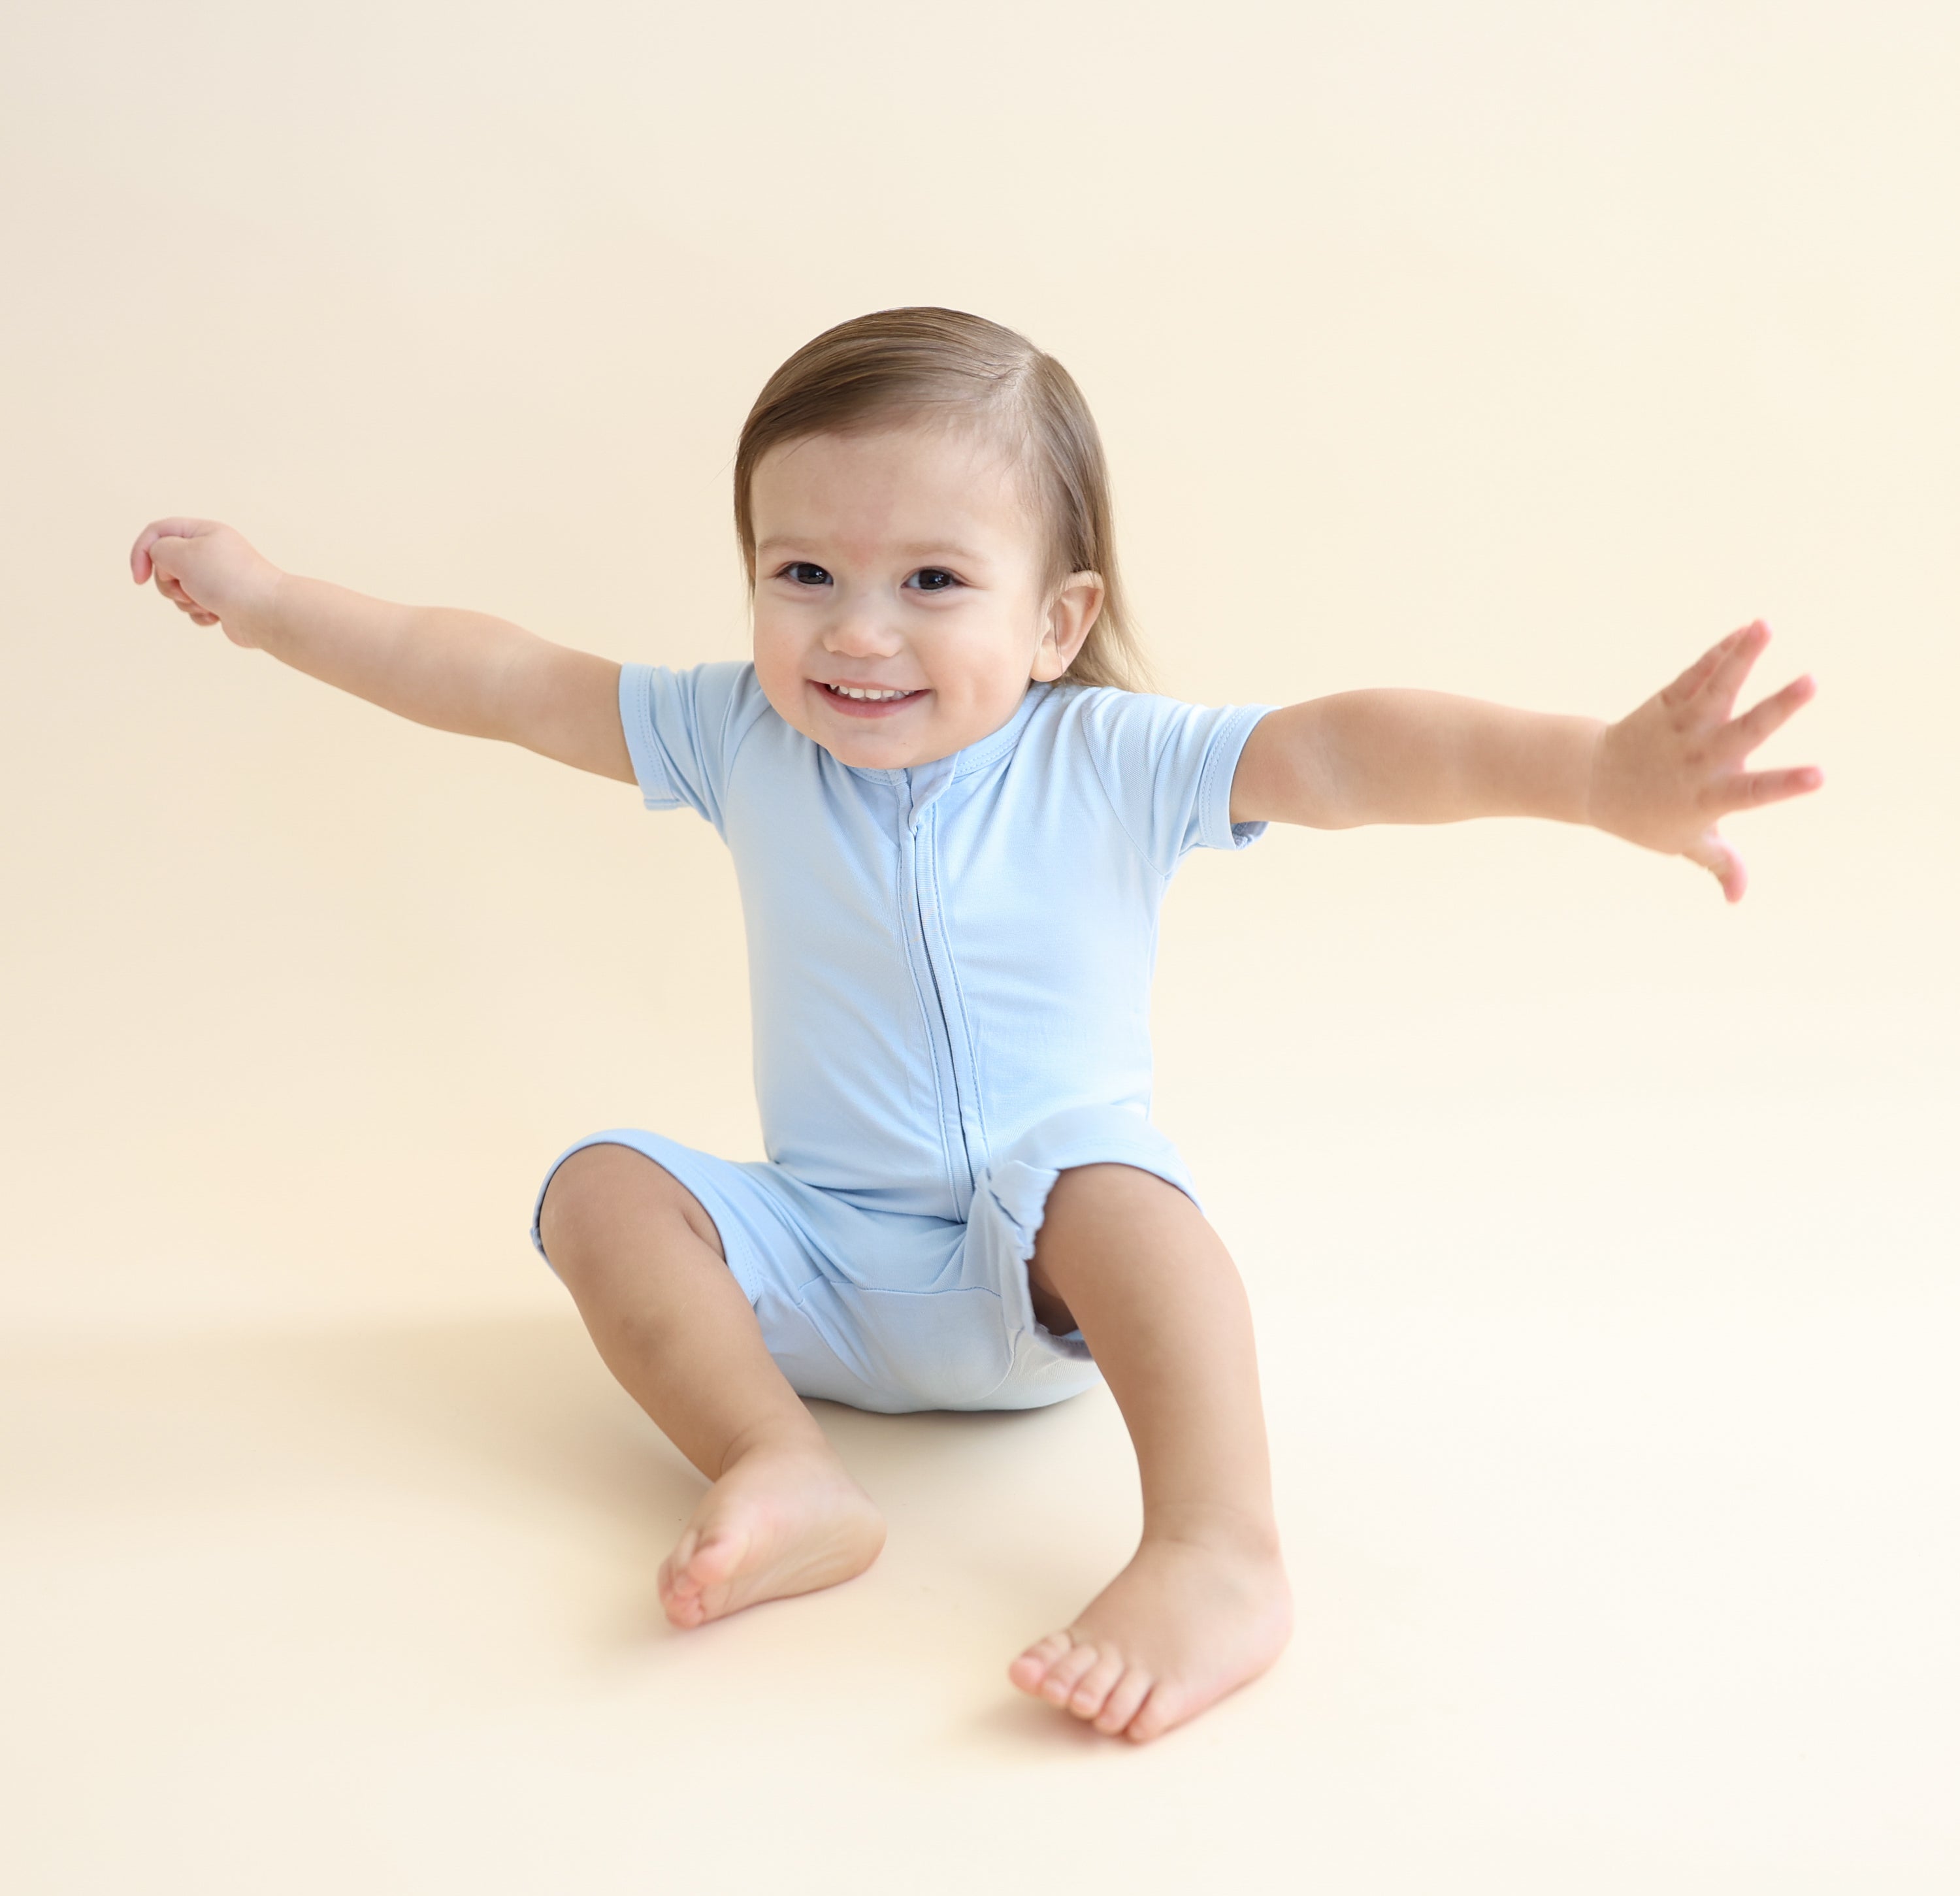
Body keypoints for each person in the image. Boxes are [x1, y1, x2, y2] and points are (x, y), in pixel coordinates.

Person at [129, 306, 1821, 1744]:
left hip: (1044, 1279)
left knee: (1114, 1181)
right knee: (600, 1187)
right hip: (827, 1271)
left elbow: (1353, 751)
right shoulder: (738, 739)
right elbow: (493, 674)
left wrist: (1592, 776)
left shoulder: (1109, 756)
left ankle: (1219, 1547)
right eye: (804, 572)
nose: (857, 631)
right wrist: (273, 602)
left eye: (934, 579)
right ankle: (782, 1471)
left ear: (1057, 617)